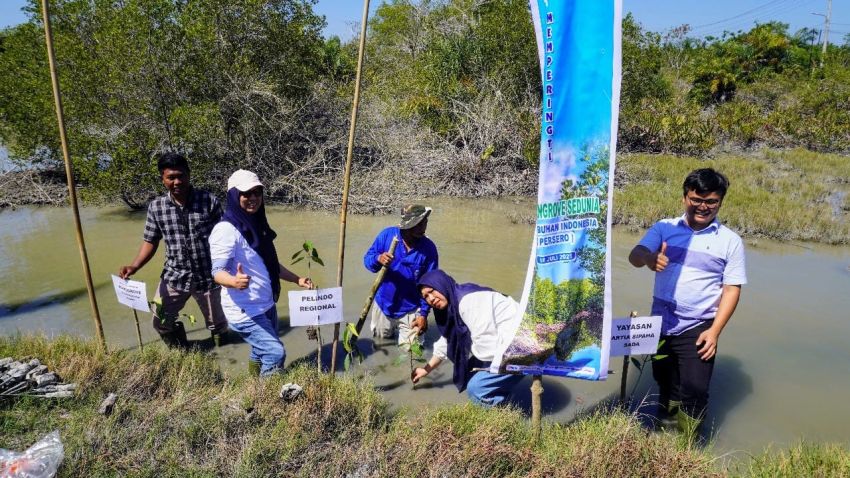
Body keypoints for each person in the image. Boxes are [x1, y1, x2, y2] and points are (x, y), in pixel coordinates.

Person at [628, 168, 746, 435]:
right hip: (661, 322)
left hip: (699, 325)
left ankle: (686, 442)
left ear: (720, 202)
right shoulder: (664, 228)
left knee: (695, 388)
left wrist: (714, 331)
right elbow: (635, 255)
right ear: (685, 198)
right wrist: (648, 258)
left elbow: (731, 290)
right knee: (664, 380)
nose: (703, 207)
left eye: (711, 201)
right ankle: (665, 431)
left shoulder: (730, 242)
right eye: (696, 199)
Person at [209, 170, 312, 377]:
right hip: (244, 309)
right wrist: (233, 281)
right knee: (275, 352)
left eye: (257, 192)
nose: (253, 198)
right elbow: (217, 272)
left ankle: (253, 382)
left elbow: (269, 265)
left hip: (265, 302)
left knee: (260, 350)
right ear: (234, 195)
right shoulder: (225, 230)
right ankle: (267, 393)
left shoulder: (257, 222)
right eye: (246, 193)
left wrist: (297, 279)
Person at [119, 152, 228, 348]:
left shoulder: (208, 201)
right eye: (171, 177)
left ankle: (224, 353)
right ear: (163, 179)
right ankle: (182, 352)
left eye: (181, 176)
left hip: (208, 276)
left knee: (218, 325)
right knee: (160, 320)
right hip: (175, 275)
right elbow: (150, 241)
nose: (177, 181)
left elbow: (225, 238)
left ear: (189, 174)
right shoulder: (156, 207)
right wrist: (134, 266)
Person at [411, 270, 524, 407]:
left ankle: (501, 415)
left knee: (476, 389)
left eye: (431, 291)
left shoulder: (467, 302)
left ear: (441, 284)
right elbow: (448, 340)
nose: (431, 299)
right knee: (468, 373)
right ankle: (501, 401)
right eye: (426, 297)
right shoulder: (453, 303)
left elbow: (486, 344)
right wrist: (426, 370)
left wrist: (470, 363)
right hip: (506, 343)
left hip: (523, 344)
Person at [363, 204, 438, 347]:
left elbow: (430, 285)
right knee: (380, 345)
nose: (423, 228)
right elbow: (368, 261)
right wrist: (378, 259)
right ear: (408, 226)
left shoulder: (429, 249)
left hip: (411, 307)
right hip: (384, 304)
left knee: (411, 351)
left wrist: (423, 314)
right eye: (419, 224)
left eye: (425, 222)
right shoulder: (387, 235)